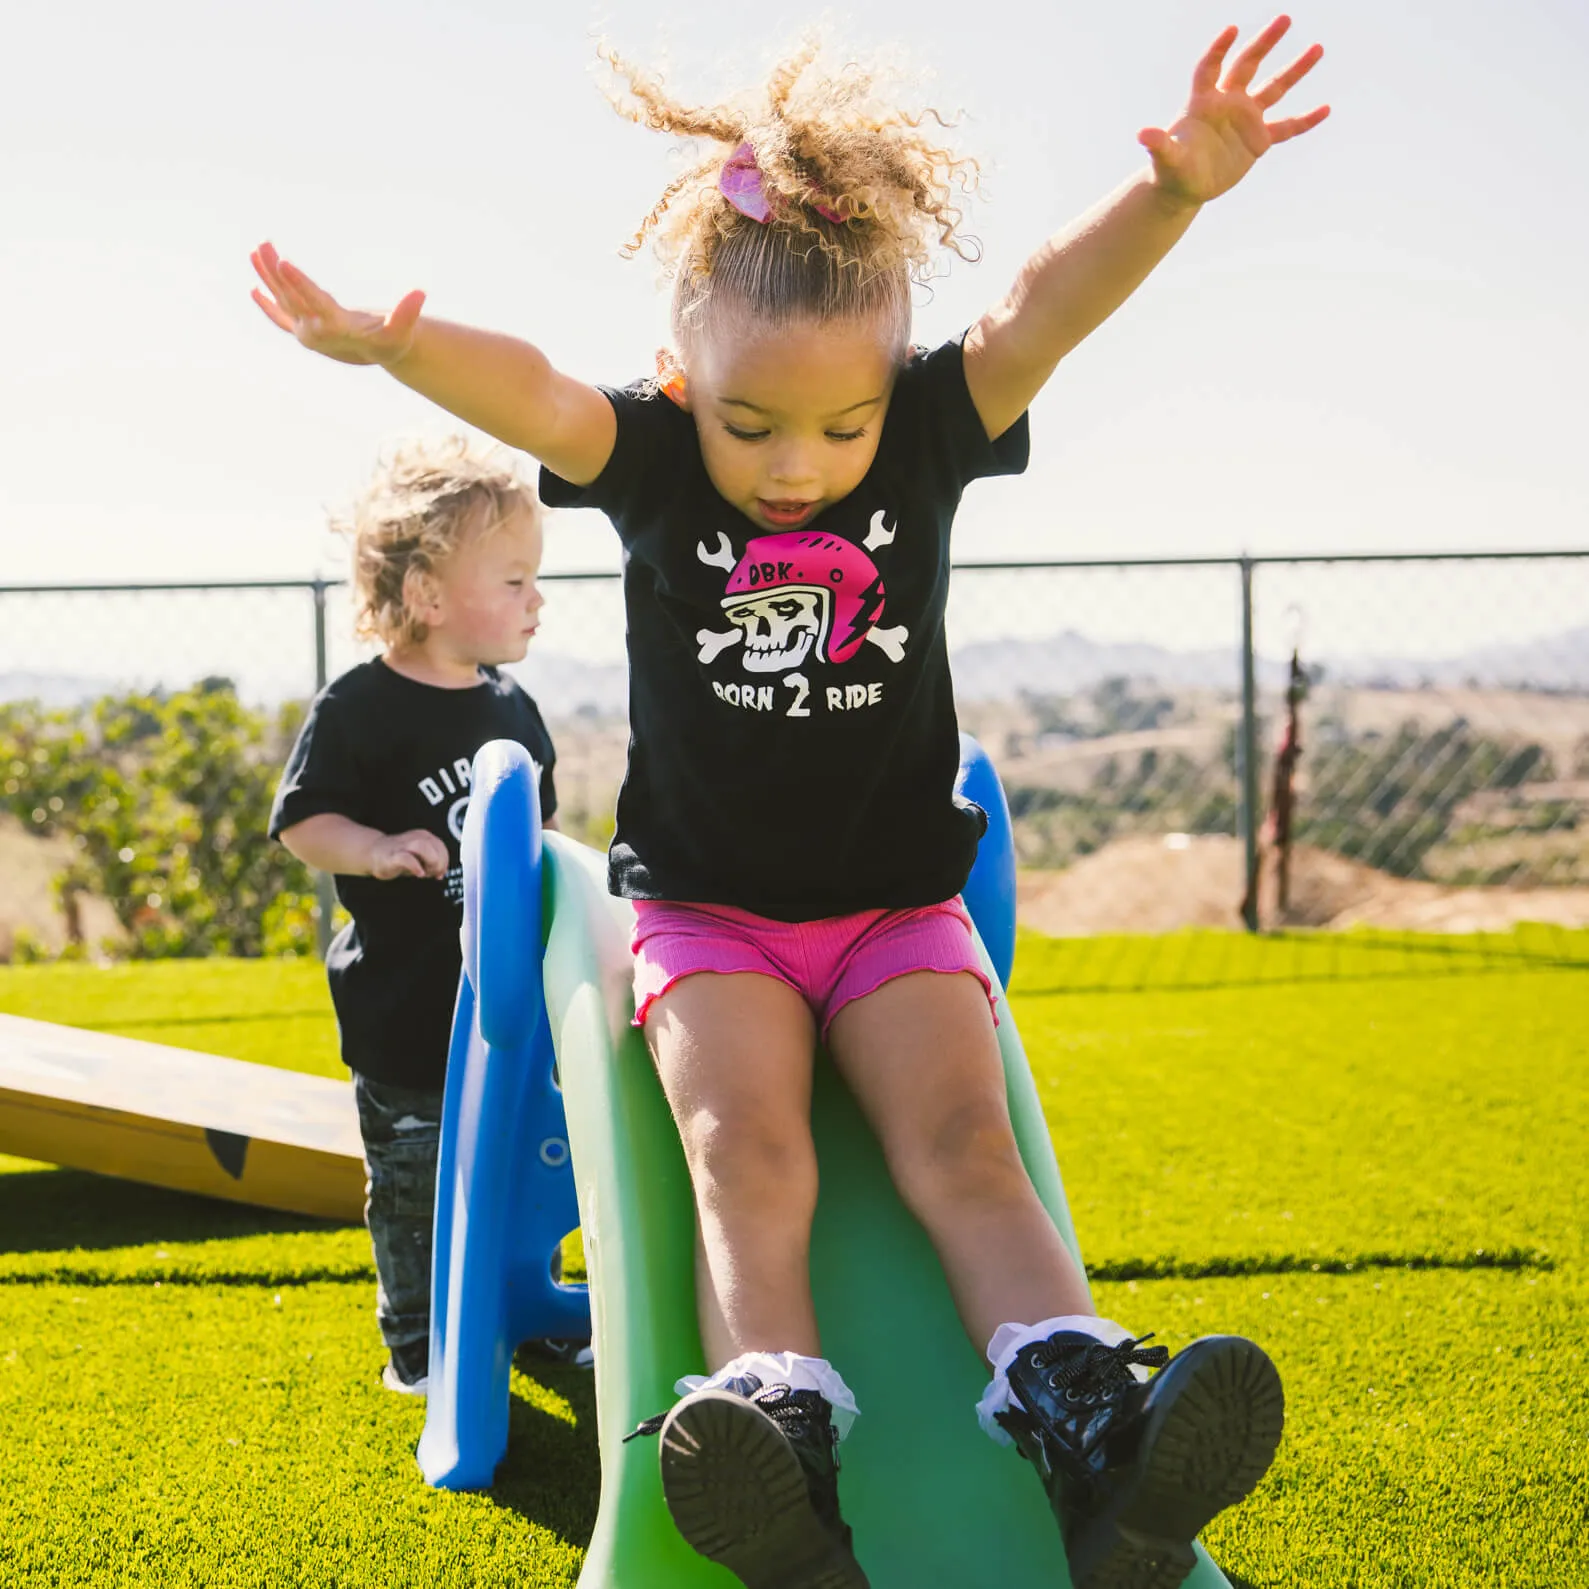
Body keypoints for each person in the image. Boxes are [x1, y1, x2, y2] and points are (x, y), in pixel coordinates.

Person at [250, 17, 1327, 1585]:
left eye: (844, 425)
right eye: (750, 424)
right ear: (687, 383)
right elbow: (541, 390)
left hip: (896, 906)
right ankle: (781, 1452)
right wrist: (397, 346)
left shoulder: (936, 430)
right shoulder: (654, 459)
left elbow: (1038, 310)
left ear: (894, 386)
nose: (795, 465)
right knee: (743, 1156)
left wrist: (1170, 195)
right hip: (712, 919)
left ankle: (1095, 1437)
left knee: (964, 1141)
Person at [269, 438, 589, 1396]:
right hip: (404, 1017)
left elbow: (537, 833)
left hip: (507, 1012)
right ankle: (418, 1339)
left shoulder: (513, 707)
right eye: (516, 578)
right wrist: (370, 848)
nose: (538, 599)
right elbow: (302, 823)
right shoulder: (360, 707)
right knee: (415, 1192)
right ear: (427, 596)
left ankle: (527, 1308)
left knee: (522, 1173)